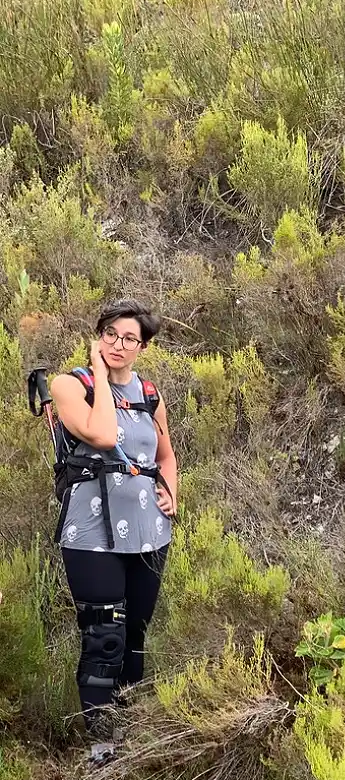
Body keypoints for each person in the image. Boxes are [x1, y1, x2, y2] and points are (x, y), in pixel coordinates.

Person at [51, 299, 177, 735]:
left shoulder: (150, 394)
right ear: (98, 335)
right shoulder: (71, 385)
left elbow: (165, 454)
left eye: (130, 339)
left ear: (142, 346)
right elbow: (103, 434)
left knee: (134, 641)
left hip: (148, 534)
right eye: (110, 334)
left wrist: (170, 493)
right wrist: (101, 377)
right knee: (105, 639)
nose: (118, 345)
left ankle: (127, 730)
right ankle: (101, 744)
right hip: (90, 536)